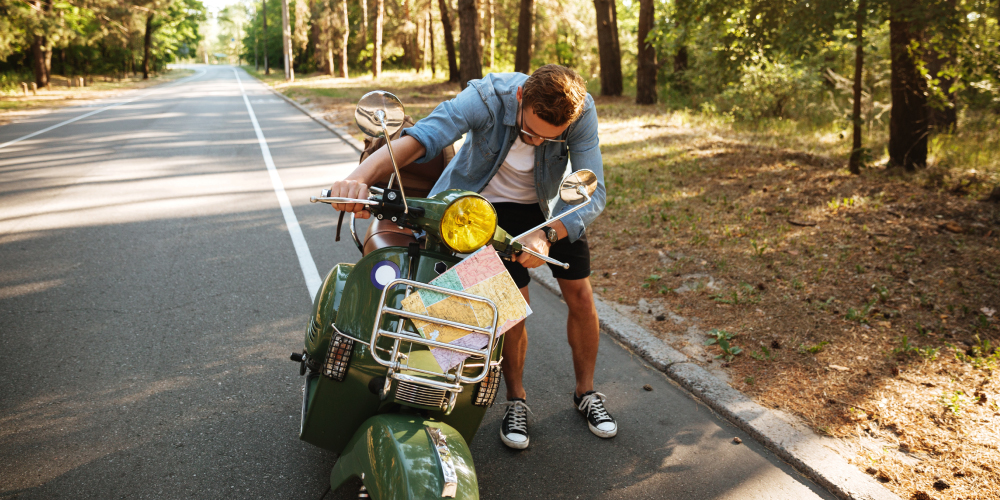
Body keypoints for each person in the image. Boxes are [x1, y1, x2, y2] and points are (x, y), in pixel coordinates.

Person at [327, 64, 614, 449]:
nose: (536, 142)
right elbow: (423, 136)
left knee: (580, 296)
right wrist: (361, 176)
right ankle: (516, 400)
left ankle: (587, 394)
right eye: (529, 132)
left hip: (554, 209)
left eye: (550, 139)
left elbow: (593, 189)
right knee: (509, 302)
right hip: (485, 203)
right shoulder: (488, 96)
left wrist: (547, 234)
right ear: (520, 99)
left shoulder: (582, 112)